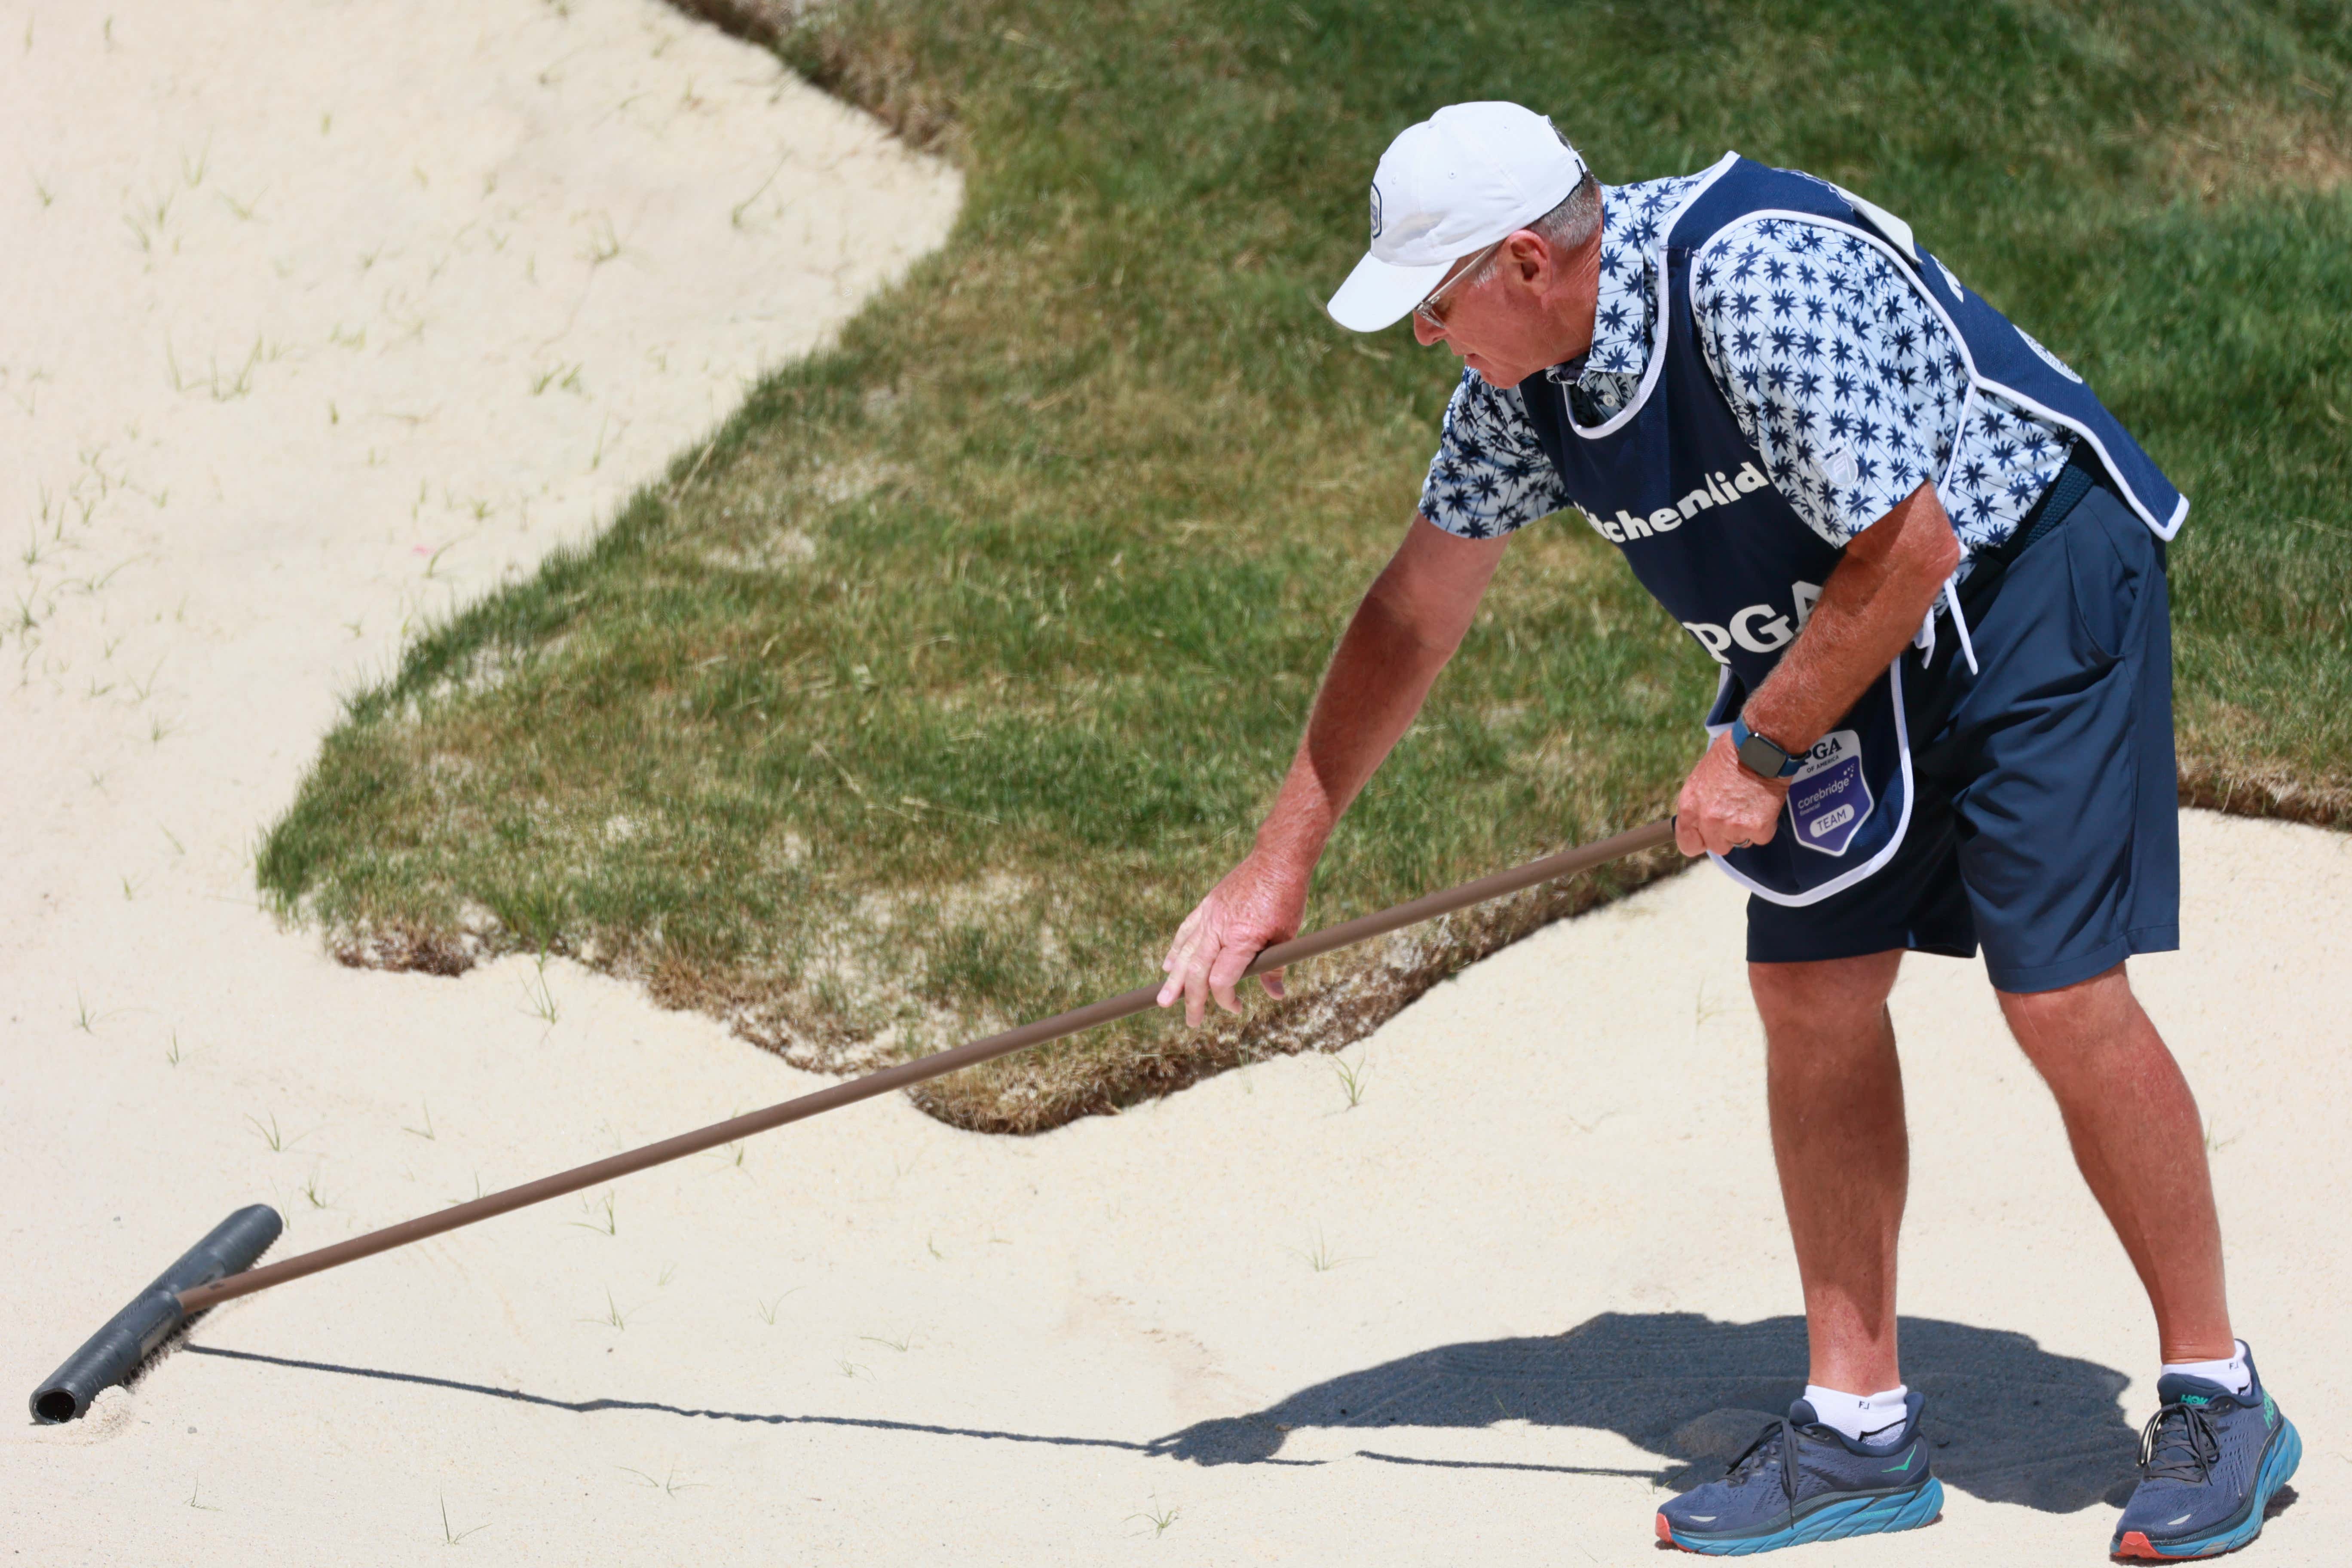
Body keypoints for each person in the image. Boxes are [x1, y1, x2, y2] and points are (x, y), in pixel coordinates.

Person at [1153, 101, 2299, 1559]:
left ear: (1525, 264)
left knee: (2060, 991)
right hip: (1846, 615)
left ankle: (2219, 1394)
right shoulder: (1519, 386)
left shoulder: (1751, 283)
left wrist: (1759, 749)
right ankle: (1858, 1430)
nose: (1430, 339)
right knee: (1809, 989)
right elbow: (1414, 613)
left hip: (2026, 579)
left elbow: (1914, 548)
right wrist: (1280, 861)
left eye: (1436, 306)